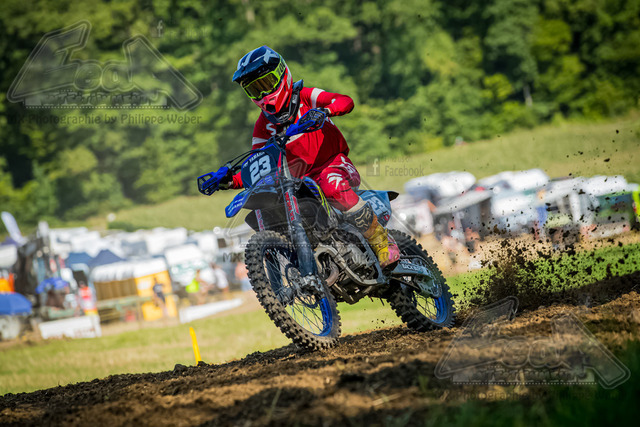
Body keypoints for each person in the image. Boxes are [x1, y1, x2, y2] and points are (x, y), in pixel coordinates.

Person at [220, 46, 399, 267]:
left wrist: (325, 111)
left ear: (282, 74)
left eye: (266, 84)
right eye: (255, 90)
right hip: (297, 182)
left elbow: (344, 100)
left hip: (333, 164)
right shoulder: (263, 125)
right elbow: (257, 165)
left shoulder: (306, 96)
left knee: (332, 185)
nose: (263, 94)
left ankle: (382, 241)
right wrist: (229, 180)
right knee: (271, 204)